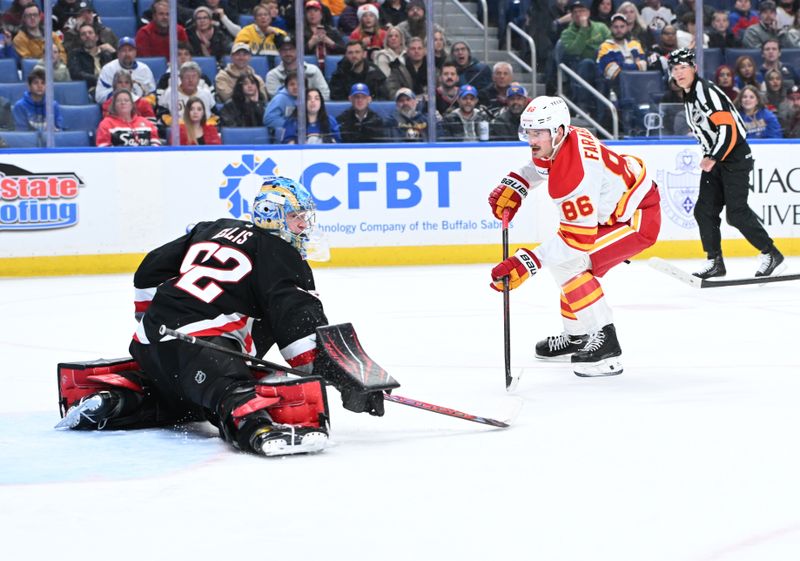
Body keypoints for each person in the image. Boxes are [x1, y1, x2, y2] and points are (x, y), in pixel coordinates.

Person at [56, 176, 391, 457]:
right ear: (272, 216)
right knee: (228, 390)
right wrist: (344, 379)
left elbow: (148, 270)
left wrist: (147, 324)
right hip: (204, 345)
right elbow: (299, 328)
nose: (304, 226)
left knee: (186, 403)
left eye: (305, 217)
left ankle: (116, 401)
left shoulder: (212, 228)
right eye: (296, 218)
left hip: (149, 345)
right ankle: (256, 429)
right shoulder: (282, 255)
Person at [487, 95, 661, 377]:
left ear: (558, 131)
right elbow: (541, 166)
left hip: (636, 217)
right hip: (612, 211)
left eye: (538, 133)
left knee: (571, 264)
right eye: (528, 132)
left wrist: (526, 263)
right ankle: (578, 336)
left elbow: (575, 241)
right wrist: (518, 183)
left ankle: (606, 347)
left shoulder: (574, 176)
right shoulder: (562, 141)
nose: (532, 140)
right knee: (565, 263)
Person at [669, 48, 785, 278]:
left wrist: (713, 156)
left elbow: (729, 128)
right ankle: (715, 261)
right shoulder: (690, 93)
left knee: (737, 213)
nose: (679, 72)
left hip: (734, 156)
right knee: (704, 210)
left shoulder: (705, 92)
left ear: (694, 69)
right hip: (719, 157)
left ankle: (771, 253)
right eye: (675, 68)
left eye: (683, 67)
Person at [266, 33, 330, 99]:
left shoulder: (313, 70)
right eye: (284, 50)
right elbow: (275, 100)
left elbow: (324, 95)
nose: (288, 53)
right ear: (279, 52)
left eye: (291, 49)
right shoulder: (273, 75)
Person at [95, 37, 156, 103]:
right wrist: (118, 93)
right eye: (123, 50)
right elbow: (99, 97)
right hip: (116, 108)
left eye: (130, 50)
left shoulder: (144, 69)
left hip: (140, 108)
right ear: (118, 53)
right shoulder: (108, 69)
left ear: (135, 52)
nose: (127, 54)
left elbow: (153, 93)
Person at [95, 89, 160, 146]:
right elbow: (104, 149)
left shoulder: (146, 123)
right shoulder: (106, 124)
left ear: (132, 104)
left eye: (126, 100)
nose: (123, 103)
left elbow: (155, 144)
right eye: (119, 101)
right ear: (114, 105)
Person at [67, 21, 116, 95]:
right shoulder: (75, 54)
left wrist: (114, 52)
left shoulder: (106, 54)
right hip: (90, 90)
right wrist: (98, 79)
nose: (87, 36)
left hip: (110, 88)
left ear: (96, 37)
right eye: (83, 34)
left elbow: (119, 70)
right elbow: (76, 74)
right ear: (80, 39)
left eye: (90, 33)